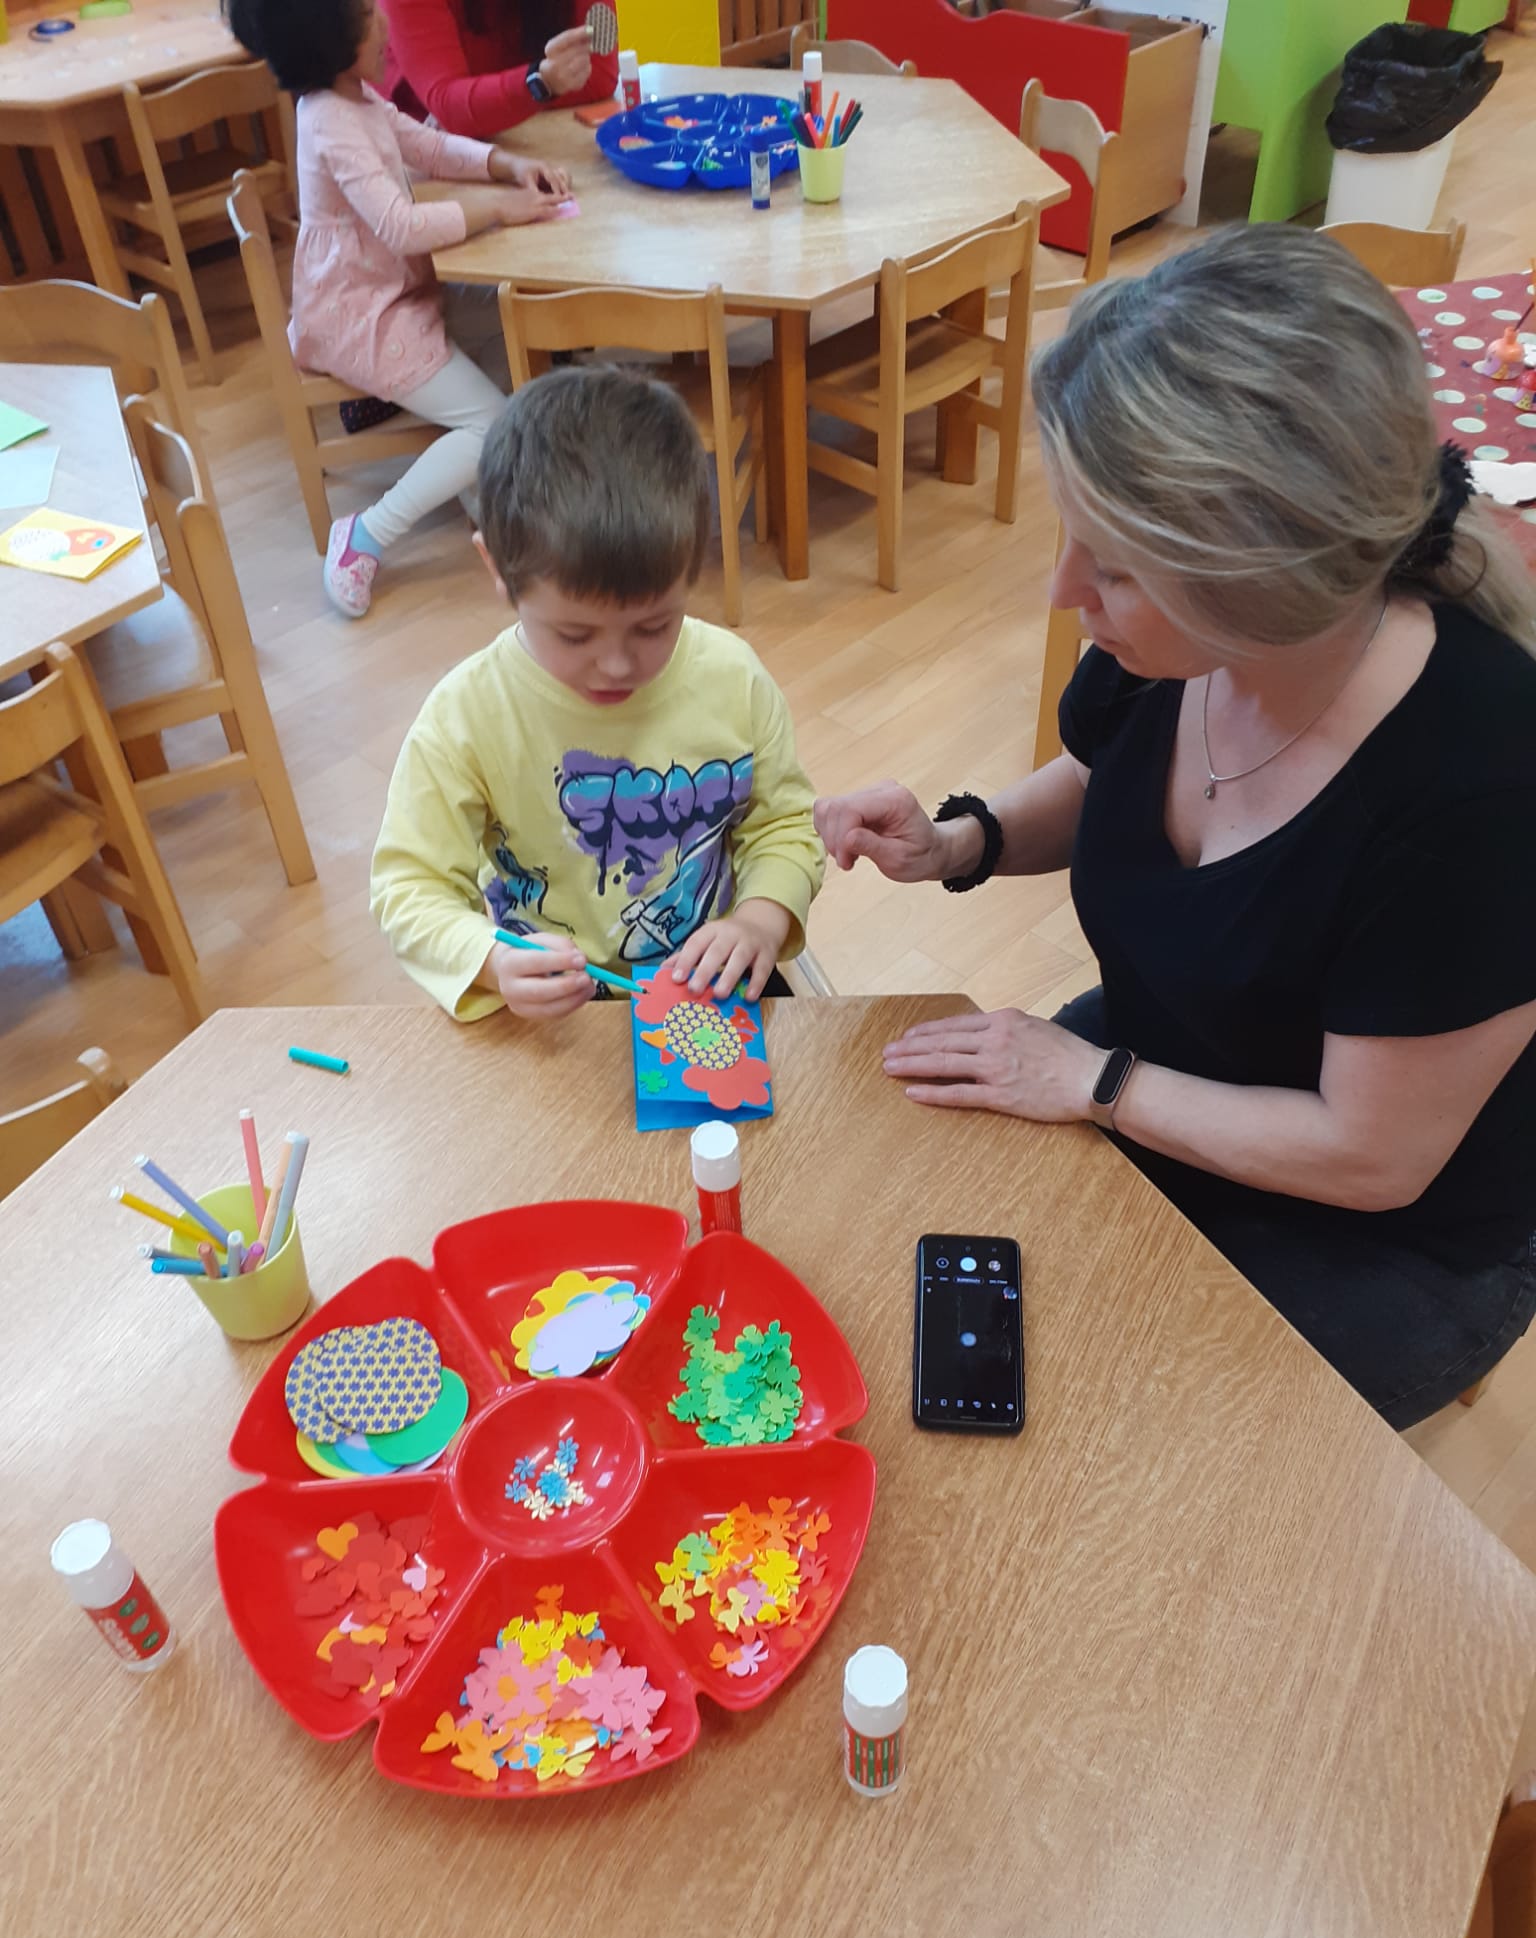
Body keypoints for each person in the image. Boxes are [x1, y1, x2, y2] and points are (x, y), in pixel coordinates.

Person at [815, 224, 1536, 1429]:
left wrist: (1095, 1080)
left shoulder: (1481, 786)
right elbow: (1102, 778)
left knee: (1107, 1427)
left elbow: (1373, 1157)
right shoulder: (1169, 651)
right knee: (946, 1286)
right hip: (1170, 1060)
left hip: (1381, 1235)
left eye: (1114, 566)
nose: (1062, 593)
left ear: (1266, 578)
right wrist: (957, 842)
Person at [370, 366, 824, 1020]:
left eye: (654, 626)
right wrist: (488, 960)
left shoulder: (735, 680)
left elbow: (783, 825)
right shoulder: (465, 717)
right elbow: (408, 886)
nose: (615, 665)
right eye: (574, 634)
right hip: (543, 1002)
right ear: (496, 568)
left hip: (712, 986)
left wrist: (760, 918)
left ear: (692, 567)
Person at [227, 0, 571, 618]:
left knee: (506, 319)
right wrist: (499, 207)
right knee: (489, 424)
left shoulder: (356, 98)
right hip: (361, 317)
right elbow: (401, 225)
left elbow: (428, 147)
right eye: (366, 13)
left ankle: (486, 495)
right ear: (328, 42)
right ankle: (366, 534)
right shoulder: (329, 118)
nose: (385, 20)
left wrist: (509, 165)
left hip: (393, 294)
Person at [383, 0, 617, 138]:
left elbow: (598, 75)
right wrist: (540, 84)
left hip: (529, 140)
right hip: (417, 155)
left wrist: (484, 107)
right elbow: (449, 103)